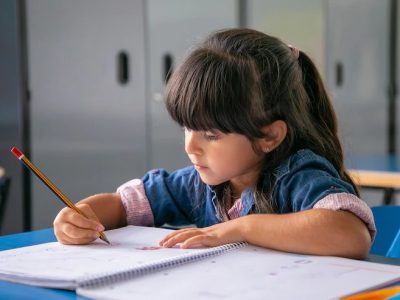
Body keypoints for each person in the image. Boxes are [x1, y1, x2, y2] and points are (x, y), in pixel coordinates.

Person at [54, 28, 375, 259]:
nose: (191, 147)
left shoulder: (297, 174)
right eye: (187, 129)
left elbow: (350, 234)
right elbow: (122, 206)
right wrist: (82, 215)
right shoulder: (200, 183)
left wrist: (243, 228)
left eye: (211, 134)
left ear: (269, 136)